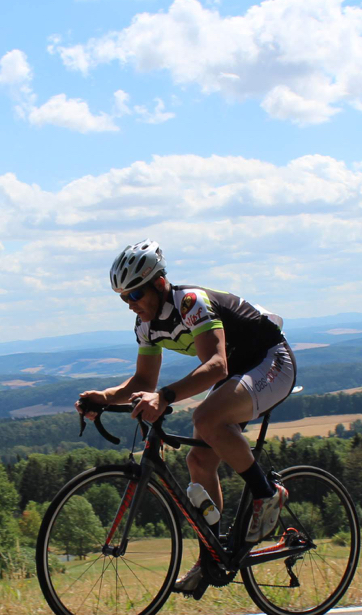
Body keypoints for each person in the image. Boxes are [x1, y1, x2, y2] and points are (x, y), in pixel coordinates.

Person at [76, 240, 296, 593]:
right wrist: (104, 397)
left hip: (269, 361)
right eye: (124, 298)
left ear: (159, 283)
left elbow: (217, 365)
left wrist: (164, 397)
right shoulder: (145, 325)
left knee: (205, 419)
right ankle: (213, 558)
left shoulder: (191, 303)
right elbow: (143, 382)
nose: (131, 304)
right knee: (198, 461)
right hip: (237, 372)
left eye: (136, 294)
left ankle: (266, 493)